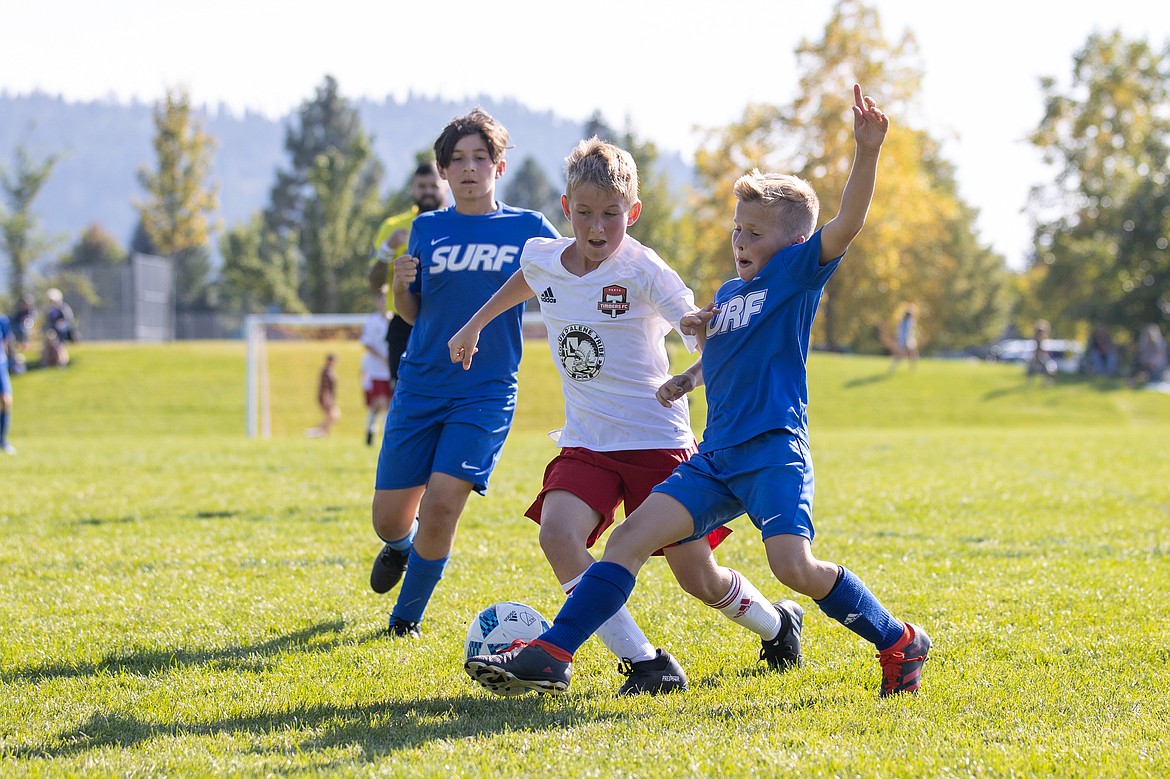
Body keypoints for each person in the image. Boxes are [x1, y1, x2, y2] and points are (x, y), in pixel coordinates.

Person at [465, 84, 931, 700]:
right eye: (738, 230)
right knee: (628, 541)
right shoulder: (732, 296)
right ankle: (554, 653)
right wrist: (687, 377)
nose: (740, 242)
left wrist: (866, 152)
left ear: (789, 245)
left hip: (770, 451)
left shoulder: (795, 274)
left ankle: (899, 640)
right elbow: (724, 353)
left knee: (793, 567)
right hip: (715, 457)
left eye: (755, 233)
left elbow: (845, 225)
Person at [447, 138, 802, 696]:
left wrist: (696, 330)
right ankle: (644, 663)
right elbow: (527, 280)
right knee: (559, 536)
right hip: (587, 441)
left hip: (656, 442)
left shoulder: (644, 269)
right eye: (584, 213)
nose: (596, 227)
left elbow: (689, 317)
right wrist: (475, 323)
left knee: (697, 578)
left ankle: (778, 625)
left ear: (631, 213)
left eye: (610, 215)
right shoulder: (543, 256)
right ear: (566, 208)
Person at [366, 108, 560, 639]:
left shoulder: (530, 229)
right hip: (421, 386)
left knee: (443, 502)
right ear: (443, 172)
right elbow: (412, 315)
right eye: (457, 160)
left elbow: (569, 280)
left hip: (485, 390)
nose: (469, 168)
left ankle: (404, 619)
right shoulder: (425, 228)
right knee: (388, 520)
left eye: (480, 158)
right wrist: (404, 286)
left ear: (499, 166)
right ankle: (400, 549)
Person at [367, 161, 450, 400]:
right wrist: (386, 250)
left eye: (433, 186)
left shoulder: (457, 224)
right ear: (412, 189)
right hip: (404, 326)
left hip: (447, 323)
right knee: (402, 398)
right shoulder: (393, 227)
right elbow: (374, 284)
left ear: (445, 187)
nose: (427, 192)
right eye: (421, 186)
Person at [359, 286, 393, 446]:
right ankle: (371, 431)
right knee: (379, 402)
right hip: (376, 370)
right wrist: (383, 357)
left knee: (388, 402)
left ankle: (385, 434)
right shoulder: (372, 321)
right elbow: (367, 343)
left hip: (390, 369)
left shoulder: (394, 320)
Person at [306, 353, 339, 438]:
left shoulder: (330, 370)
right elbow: (324, 387)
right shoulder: (326, 371)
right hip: (326, 397)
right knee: (333, 415)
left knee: (332, 416)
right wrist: (326, 399)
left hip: (330, 397)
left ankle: (321, 432)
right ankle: (316, 432)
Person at [0, 312, 15, 454]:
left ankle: (2, 440)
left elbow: (6, 343)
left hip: (1, 366)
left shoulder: (2, 320)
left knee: (6, 400)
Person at [1026, 319, 1056, 384]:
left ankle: (1043, 381)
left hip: (1039, 356)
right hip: (1038, 356)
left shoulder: (1039, 339)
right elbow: (1038, 349)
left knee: (1037, 369)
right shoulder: (1038, 339)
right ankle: (1045, 381)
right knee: (1041, 369)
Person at [890, 304, 919, 371]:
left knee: (911, 355)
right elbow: (906, 333)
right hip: (906, 342)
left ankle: (912, 369)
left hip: (905, 341)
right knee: (902, 355)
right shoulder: (906, 322)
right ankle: (893, 368)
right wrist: (906, 343)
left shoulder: (905, 322)